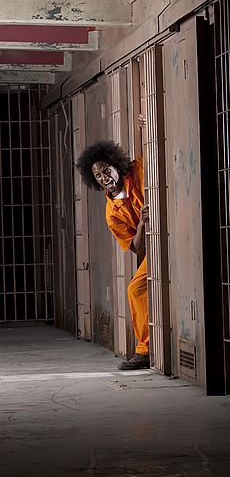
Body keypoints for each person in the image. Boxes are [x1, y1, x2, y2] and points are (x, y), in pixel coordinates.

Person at [76, 138, 150, 370]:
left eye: (106, 171)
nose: (104, 178)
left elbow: (155, 152)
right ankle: (145, 350)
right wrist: (141, 226)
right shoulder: (112, 213)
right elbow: (137, 248)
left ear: (116, 167)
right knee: (135, 289)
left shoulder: (137, 171)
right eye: (98, 176)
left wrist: (146, 126)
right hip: (156, 247)